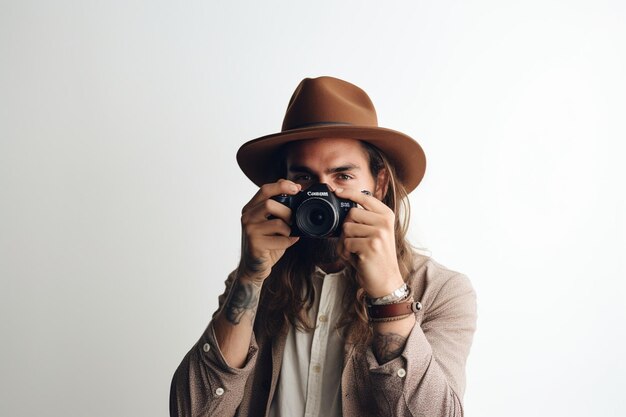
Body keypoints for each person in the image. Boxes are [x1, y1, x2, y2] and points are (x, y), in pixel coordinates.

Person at [170, 76, 477, 417]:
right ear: (282, 185)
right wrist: (249, 276)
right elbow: (192, 412)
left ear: (379, 184)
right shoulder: (259, 281)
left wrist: (389, 294)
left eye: (342, 176)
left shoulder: (441, 291)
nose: (322, 196)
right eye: (304, 178)